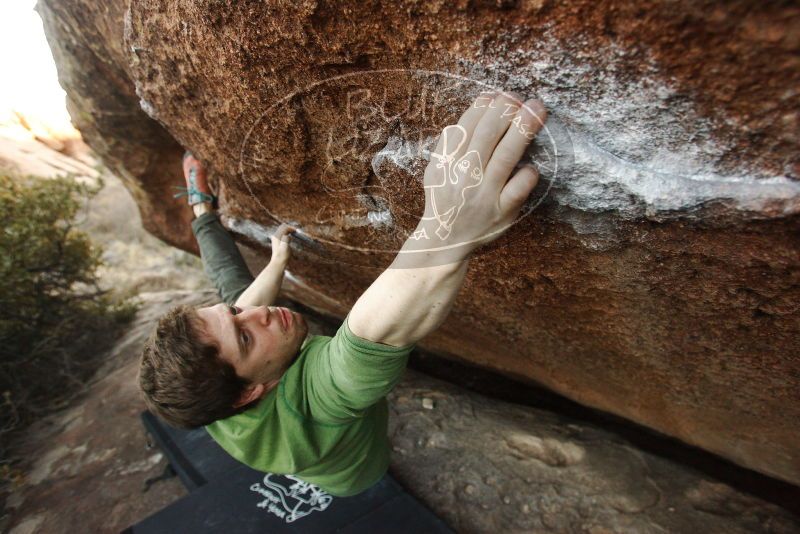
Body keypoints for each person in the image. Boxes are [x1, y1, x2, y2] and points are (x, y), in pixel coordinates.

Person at [138, 92, 547, 497]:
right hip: (353, 473)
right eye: (245, 337)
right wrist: (449, 227)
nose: (258, 313)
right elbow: (368, 338)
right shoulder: (314, 403)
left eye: (232, 313)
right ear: (249, 393)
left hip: (277, 422)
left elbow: (232, 287)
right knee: (367, 467)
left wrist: (215, 222)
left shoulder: (210, 391)